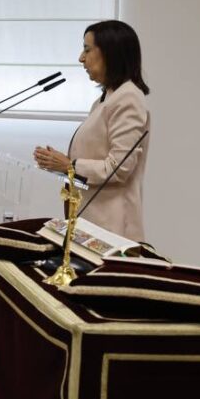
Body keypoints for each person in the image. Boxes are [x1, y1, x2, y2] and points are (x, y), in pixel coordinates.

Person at [33, 20, 151, 242]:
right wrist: (59, 163)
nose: (81, 58)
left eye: (87, 49)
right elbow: (96, 158)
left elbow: (118, 168)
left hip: (113, 232)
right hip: (92, 226)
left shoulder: (128, 99)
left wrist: (69, 165)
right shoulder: (105, 100)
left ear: (110, 53)